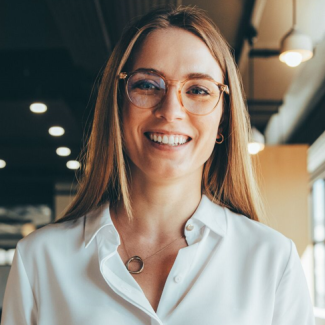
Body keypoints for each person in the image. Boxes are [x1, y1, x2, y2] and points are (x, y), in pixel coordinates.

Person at [1, 5, 315, 325]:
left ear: (223, 120)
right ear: (118, 106)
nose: (171, 110)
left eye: (198, 90)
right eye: (148, 85)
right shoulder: (39, 260)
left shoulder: (273, 260)